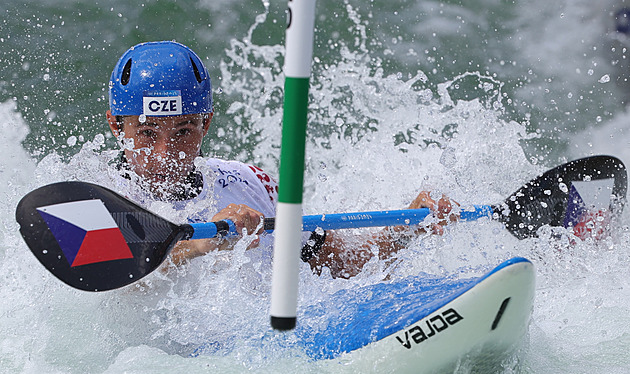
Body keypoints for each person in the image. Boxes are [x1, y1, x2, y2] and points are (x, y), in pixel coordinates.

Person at [106, 41, 457, 278]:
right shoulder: (93, 193)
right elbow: (108, 277)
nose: (168, 154)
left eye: (184, 131)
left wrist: (406, 228)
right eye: (148, 134)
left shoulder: (249, 183)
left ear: (207, 123)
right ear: (116, 126)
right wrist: (198, 245)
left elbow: (341, 267)